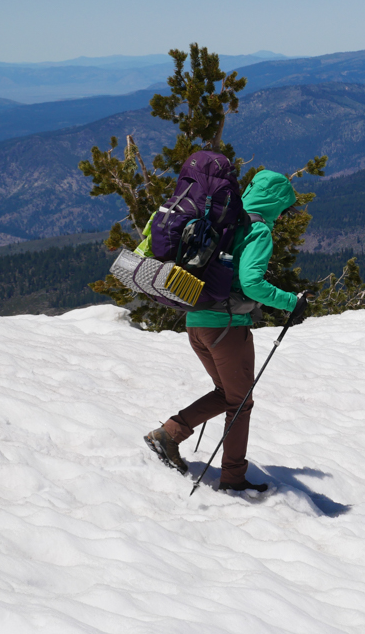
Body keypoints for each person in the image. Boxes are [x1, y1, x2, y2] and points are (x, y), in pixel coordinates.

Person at [144, 170, 312, 491]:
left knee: (228, 394)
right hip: (227, 327)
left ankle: (169, 434)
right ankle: (231, 477)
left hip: (196, 320)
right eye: (285, 208)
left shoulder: (225, 218)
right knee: (240, 403)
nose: (284, 215)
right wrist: (292, 301)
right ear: (276, 203)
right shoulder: (258, 230)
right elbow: (251, 283)